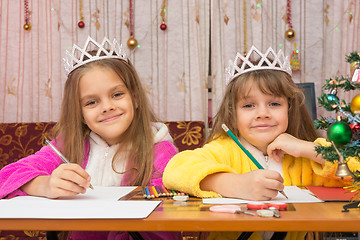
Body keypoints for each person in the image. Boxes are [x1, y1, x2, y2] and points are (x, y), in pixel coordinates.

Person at [163, 46, 359, 240]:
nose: (262, 113)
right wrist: (236, 184)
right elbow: (175, 170)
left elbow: (355, 170)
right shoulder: (223, 149)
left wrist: (307, 149)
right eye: (249, 105)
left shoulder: (305, 157)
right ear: (233, 113)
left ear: (289, 109)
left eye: (274, 103)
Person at [0, 37, 181, 240]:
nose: (106, 107)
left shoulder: (160, 152)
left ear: (136, 98)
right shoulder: (69, 145)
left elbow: (164, 225)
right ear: (80, 114)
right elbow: (6, 177)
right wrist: (47, 185)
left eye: (117, 94)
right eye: (92, 102)